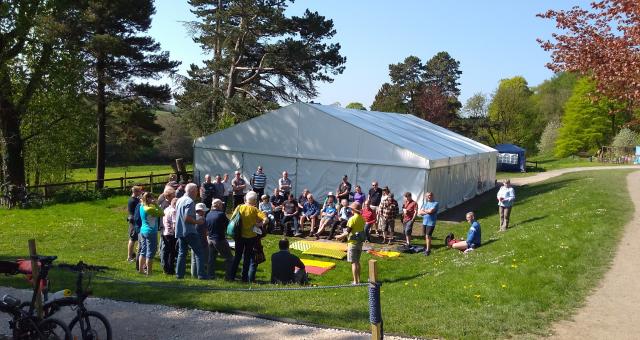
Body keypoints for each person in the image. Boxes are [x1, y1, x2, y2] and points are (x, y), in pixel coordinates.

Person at [227, 191, 268, 282]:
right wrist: (258, 224)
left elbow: (232, 218)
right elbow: (266, 220)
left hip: (239, 236)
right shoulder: (255, 210)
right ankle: (244, 278)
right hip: (251, 237)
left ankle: (231, 277)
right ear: (254, 200)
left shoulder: (239, 207)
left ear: (246, 199)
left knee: (237, 257)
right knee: (247, 258)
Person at [175, 183, 207, 280]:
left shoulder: (179, 200)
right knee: (199, 252)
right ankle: (201, 275)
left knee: (182, 253)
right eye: (196, 190)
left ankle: (179, 275)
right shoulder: (190, 202)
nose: (197, 193)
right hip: (189, 231)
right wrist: (198, 221)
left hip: (180, 230)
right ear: (192, 191)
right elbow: (187, 218)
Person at [336, 202, 365, 284]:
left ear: (353, 210)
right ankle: (358, 280)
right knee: (357, 262)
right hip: (360, 242)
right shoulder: (362, 218)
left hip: (352, 243)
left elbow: (347, 232)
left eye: (351, 209)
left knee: (353, 263)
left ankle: (355, 282)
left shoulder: (352, 219)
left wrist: (339, 237)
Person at [205, 199, 233, 279]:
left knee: (212, 258)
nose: (222, 206)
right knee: (229, 258)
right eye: (221, 204)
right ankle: (229, 277)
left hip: (210, 239)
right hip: (219, 239)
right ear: (218, 205)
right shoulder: (221, 214)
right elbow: (229, 224)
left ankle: (210, 275)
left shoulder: (208, 214)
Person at [138, 192, 164, 275]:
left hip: (143, 230)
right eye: (152, 198)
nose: (153, 199)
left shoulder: (141, 206)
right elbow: (162, 213)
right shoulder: (150, 209)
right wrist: (156, 204)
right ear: (148, 199)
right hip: (151, 232)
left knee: (143, 251)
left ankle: (141, 270)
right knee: (151, 252)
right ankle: (149, 272)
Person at [191, 203, 210, 278]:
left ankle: (194, 275)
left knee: (194, 259)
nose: (205, 212)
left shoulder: (192, 218)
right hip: (202, 241)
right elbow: (206, 231)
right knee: (202, 259)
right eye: (204, 211)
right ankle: (201, 274)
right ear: (201, 211)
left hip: (193, 240)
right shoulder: (202, 219)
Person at [418, 192, 439, 256]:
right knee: (425, 235)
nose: (429, 197)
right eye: (427, 196)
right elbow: (420, 212)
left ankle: (428, 250)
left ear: (432, 196)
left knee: (428, 236)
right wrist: (427, 211)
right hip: (425, 222)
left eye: (430, 195)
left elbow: (431, 211)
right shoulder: (425, 203)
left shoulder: (436, 203)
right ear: (426, 197)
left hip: (431, 222)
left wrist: (425, 210)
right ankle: (427, 247)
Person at [161, 198, 178, 275]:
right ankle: (171, 269)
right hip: (171, 233)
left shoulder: (166, 209)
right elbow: (174, 224)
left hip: (165, 232)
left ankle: (165, 268)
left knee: (166, 251)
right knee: (172, 252)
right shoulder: (174, 211)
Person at [126, 186, 142, 262]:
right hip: (134, 221)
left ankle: (135, 253)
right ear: (135, 192)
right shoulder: (133, 201)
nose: (140, 193)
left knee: (137, 238)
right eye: (139, 191)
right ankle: (129, 257)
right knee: (132, 239)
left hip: (136, 220)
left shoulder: (136, 199)